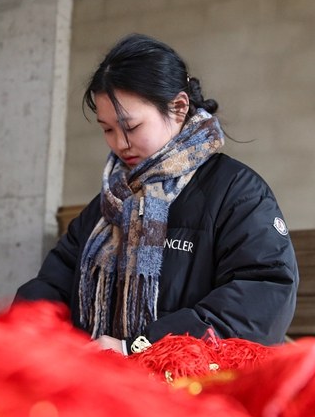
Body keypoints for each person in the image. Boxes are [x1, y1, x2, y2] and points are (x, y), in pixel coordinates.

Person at [16, 34, 298, 353]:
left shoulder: (236, 193)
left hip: (193, 391)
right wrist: (24, 327)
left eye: (131, 127)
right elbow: (56, 282)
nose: (119, 143)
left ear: (178, 108)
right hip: (102, 384)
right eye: (107, 129)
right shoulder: (110, 204)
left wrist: (139, 348)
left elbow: (261, 296)